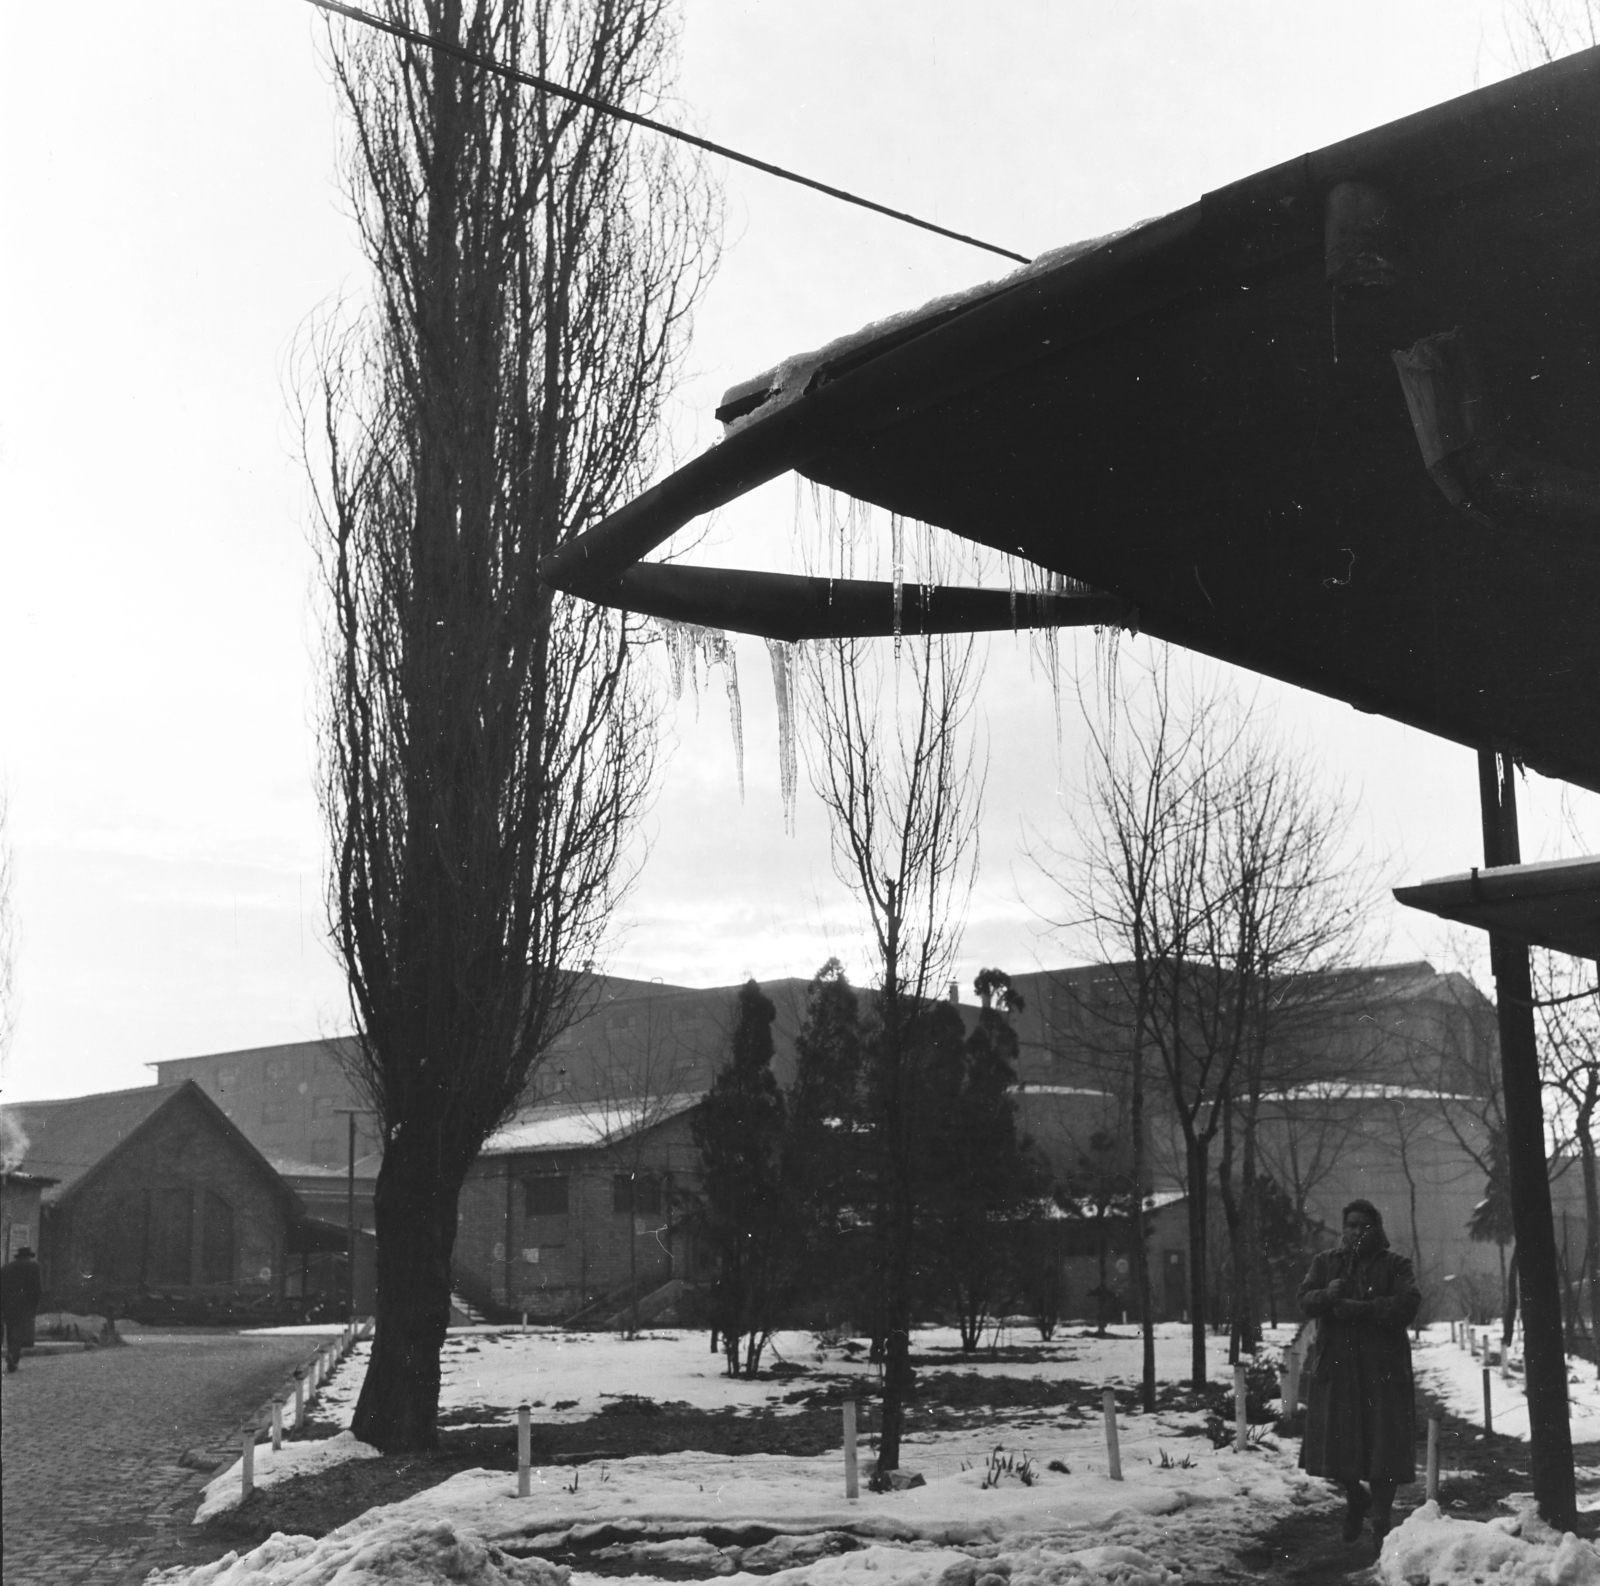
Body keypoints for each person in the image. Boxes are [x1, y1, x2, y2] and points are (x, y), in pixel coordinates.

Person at [1297, 1200, 1421, 1556]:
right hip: (1337, 1370)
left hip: (1383, 1373)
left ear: (1377, 1228)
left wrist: (1363, 1310)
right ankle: (1356, 1497)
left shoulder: (1396, 1265)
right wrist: (1327, 1295)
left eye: (1363, 1226)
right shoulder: (1325, 1263)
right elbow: (1304, 1300)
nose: (1355, 1232)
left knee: (1384, 1452)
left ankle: (1381, 1525)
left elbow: (1408, 1304)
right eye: (1349, 1225)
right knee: (1335, 1447)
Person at [2, 1245, 43, 1373]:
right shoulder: (33, 1267)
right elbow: (37, 1288)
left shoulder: (6, 1268)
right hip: (24, 1303)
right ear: (27, 1257)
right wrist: (34, 1305)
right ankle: (14, 1355)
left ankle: (11, 1352)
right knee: (20, 1330)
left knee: (10, 1328)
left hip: (7, 1303)